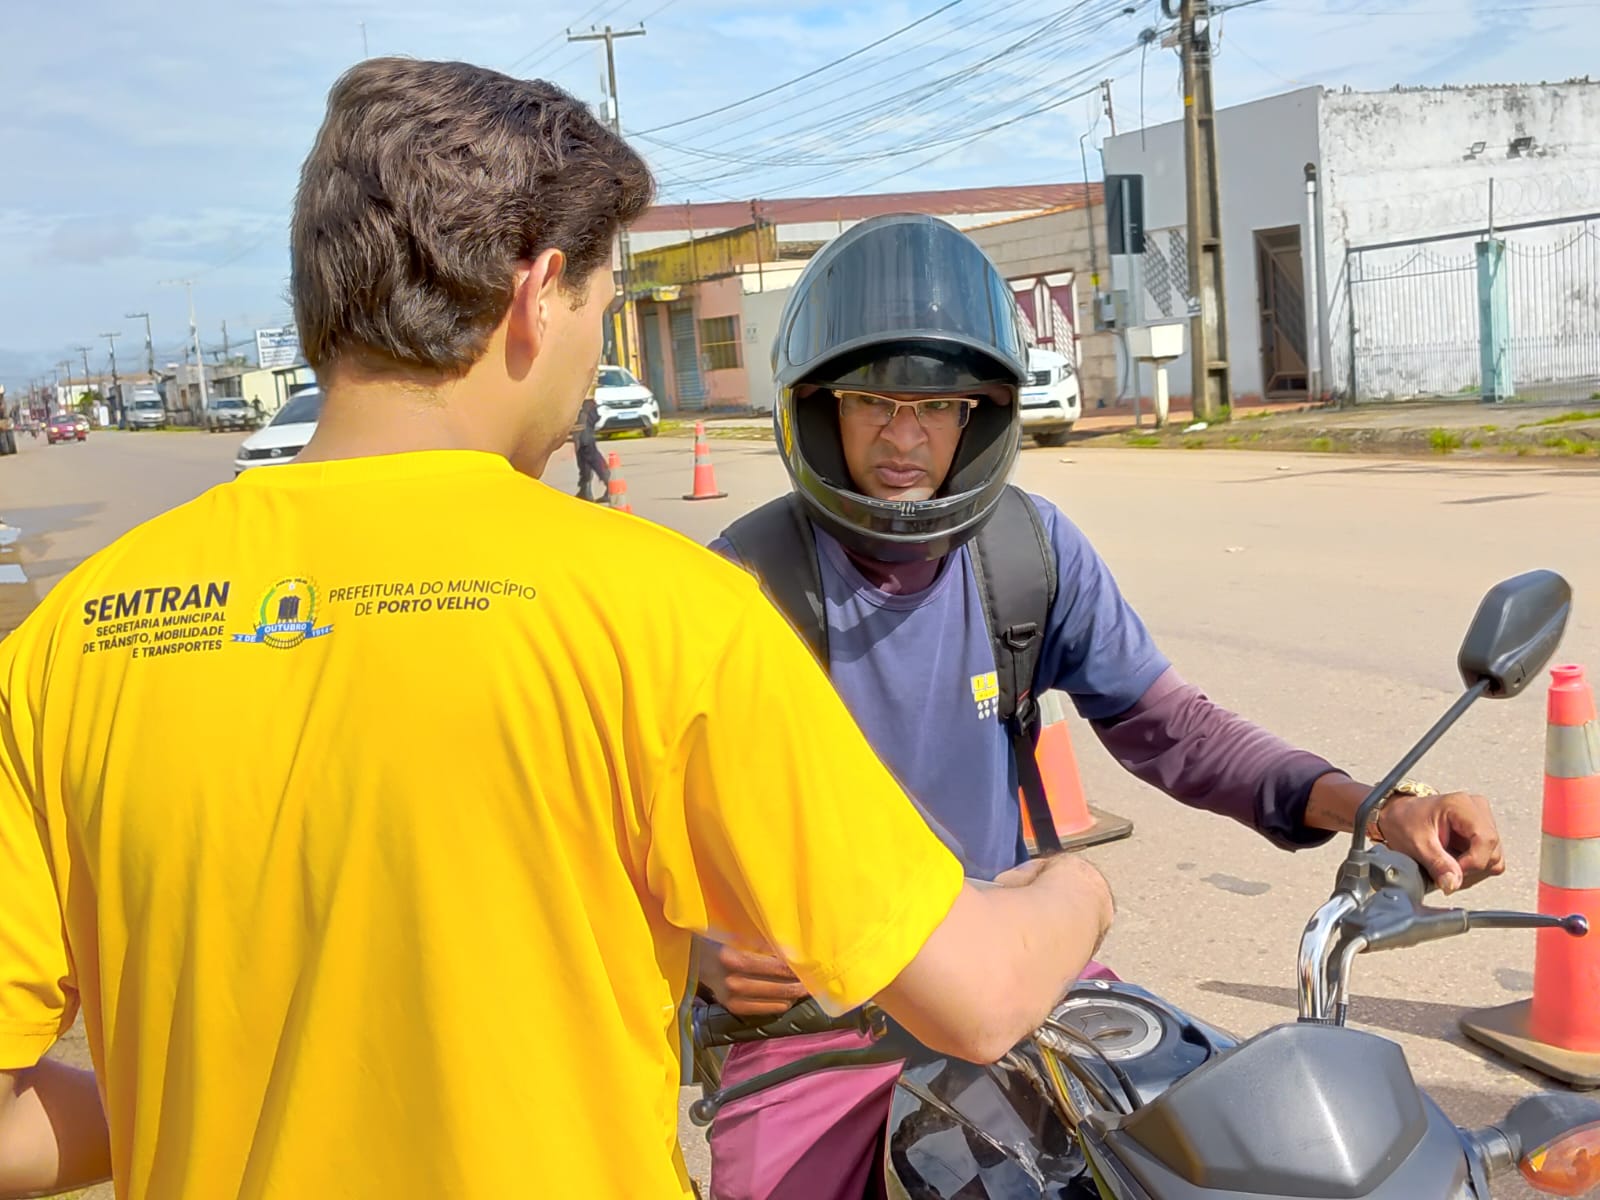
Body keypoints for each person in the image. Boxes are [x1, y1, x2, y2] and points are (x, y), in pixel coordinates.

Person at [0, 61, 1119, 1200]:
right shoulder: (660, 611)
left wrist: (175, 1114)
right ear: (539, 294)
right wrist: (1073, 894)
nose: (594, 361)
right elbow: (977, 997)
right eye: (601, 305)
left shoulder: (73, 640)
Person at [697, 214, 1507, 1200]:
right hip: (817, 1025)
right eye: (874, 400)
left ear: (980, 413)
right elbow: (635, 828)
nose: (903, 437)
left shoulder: (1026, 555)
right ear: (820, 405)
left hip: (1015, 971)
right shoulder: (739, 586)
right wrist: (704, 956)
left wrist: (1377, 807)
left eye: (937, 405)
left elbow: (1175, 728)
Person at [574, 375, 611, 501]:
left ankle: (609, 482)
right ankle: (585, 487)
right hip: (581, 404)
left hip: (585, 405)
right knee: (581, 448)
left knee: (587, 446)